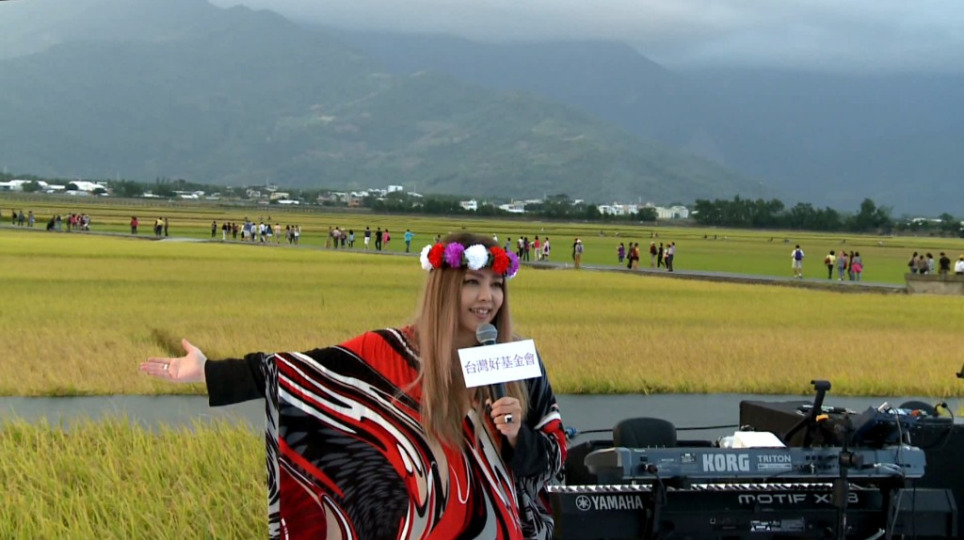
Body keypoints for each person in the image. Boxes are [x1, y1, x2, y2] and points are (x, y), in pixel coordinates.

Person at [139, 233, 566, 540]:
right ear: (444, 289)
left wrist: (518, 438)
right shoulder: (389, 353)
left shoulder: (516, 362)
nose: (487, 297)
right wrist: (209, 372)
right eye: (472, 283)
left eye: (496, 285)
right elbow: (300, 370)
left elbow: (554, 456)